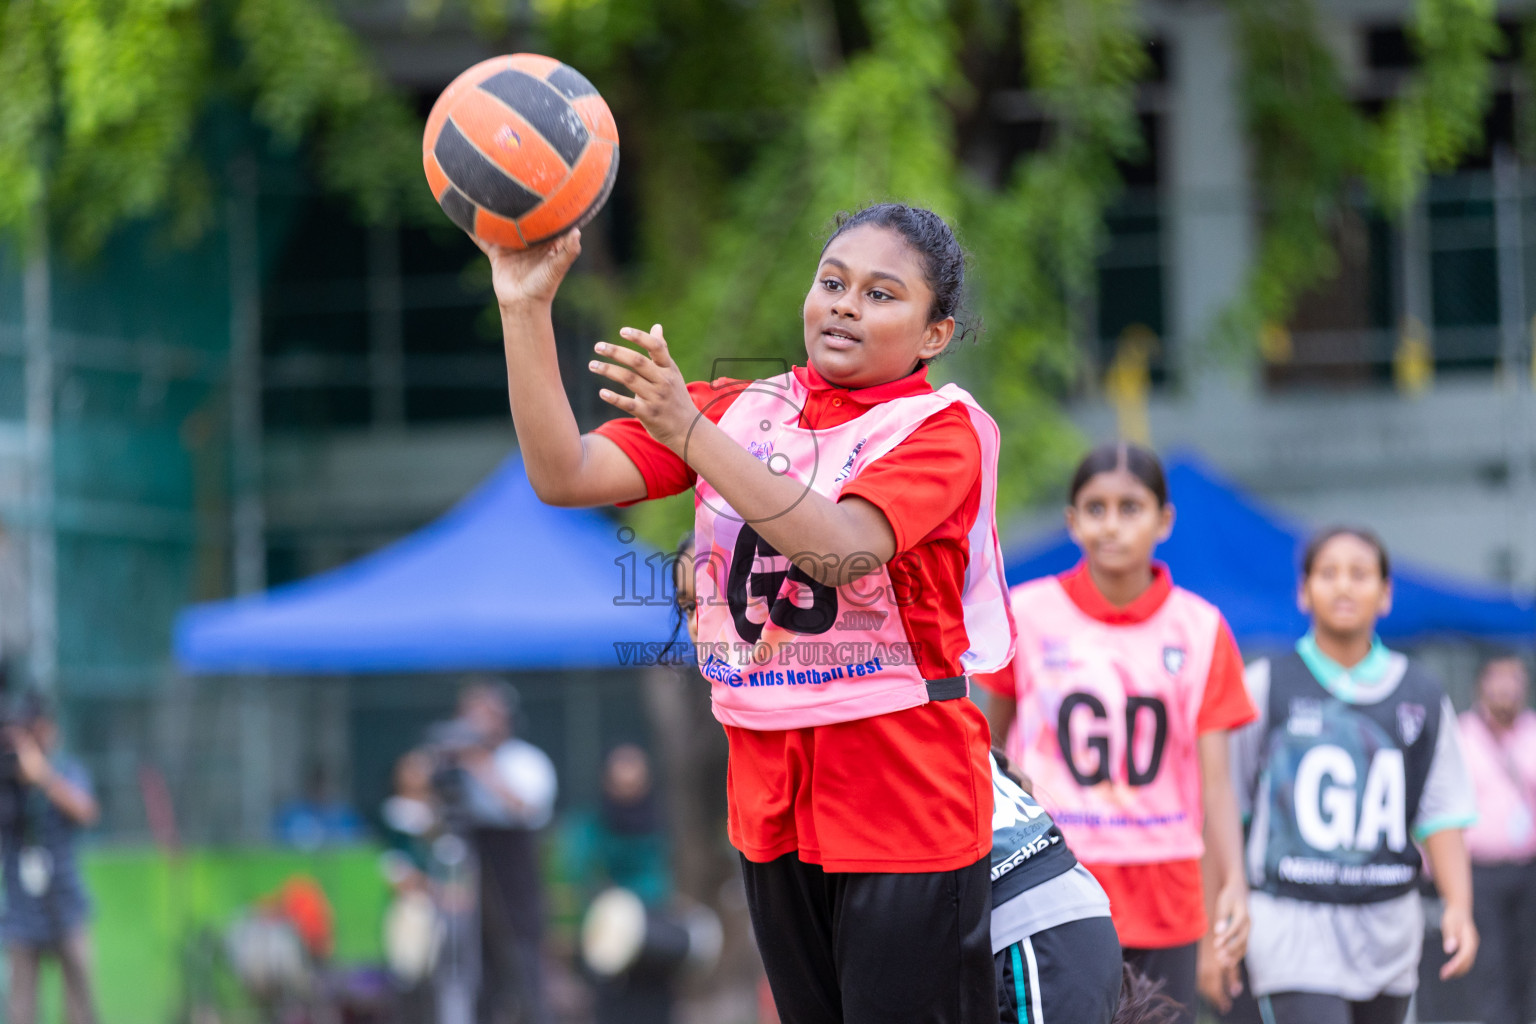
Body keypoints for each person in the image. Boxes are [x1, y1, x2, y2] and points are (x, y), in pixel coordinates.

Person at [479, 202, 1016, 1023]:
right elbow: (564, 473)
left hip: (902, 797)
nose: (844, 304)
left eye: (880, 294)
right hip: (772, 798)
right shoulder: (738, 410)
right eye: (832, 282)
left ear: (935, 334)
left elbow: (837, 550)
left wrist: (692, 433)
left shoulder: (941, 430)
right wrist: (524, 306)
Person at [977, 442, 1255, 1024]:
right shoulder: (1026, 613)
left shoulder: (1201, 629)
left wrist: (1234, 884)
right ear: (1072, 520)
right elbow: (985, 751)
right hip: (1051, 876)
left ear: (1164, 519)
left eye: (1131, 507)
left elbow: (1217, 785)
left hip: (1164, 888)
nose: (1112, 524)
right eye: (1095, 507)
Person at [1231, 526, 1478, 1024]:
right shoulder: (1265, 685)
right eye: (1328, 573)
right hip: (1291, 922)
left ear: (1385, 594)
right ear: (1303, 591)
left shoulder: (1422, 693)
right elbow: (1225, 806)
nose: (1344, 586)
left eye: (1360, 574)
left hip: (1387, 926)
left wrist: (1458, 905)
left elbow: (1441, 811)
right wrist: (1224, 910)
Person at [455, 679, 558, 1024]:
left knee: (521, 950)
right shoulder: (455, 761)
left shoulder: (525, 760)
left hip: (514, 862)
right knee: (477, 958)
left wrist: (483, 767)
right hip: (473, 858)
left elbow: (527, 807)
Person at [0, 691, 101, 1024]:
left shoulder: (62, 769)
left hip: (66, 906)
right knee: (21, 1011)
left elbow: (87, 811)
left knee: (80, 1006)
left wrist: (41, 776)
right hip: (20, 914)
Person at [567, 744, 674, 1024]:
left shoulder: (659, 821)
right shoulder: (594, 825)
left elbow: (661, 874)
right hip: (611, 926)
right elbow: (585, 873)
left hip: (654, 924)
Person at [1458, 655, 1536, 1024]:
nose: (1506, 689)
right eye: (1498, 680)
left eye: (1514, 681)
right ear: (1481, 685)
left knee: (1528, 962)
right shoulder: (1462, 735)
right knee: (1490, 963)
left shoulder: (1532, 731)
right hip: (1480, 873)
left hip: (1529, 868)